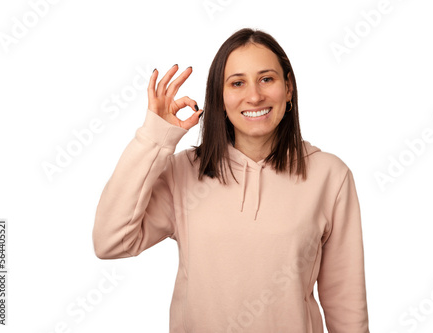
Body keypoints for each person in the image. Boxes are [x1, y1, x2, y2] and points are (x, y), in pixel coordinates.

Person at [92, 27, 370, 332]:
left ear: (288, 88)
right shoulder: (184, 172)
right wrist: (155, 138)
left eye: (267, 79)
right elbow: (111, 242)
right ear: (220, 98)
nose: (254, 96)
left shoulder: (330, 176)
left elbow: (345, 303)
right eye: (237, 83)